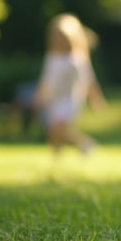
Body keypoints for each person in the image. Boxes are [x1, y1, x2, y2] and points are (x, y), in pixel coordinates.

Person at [33, 13, 106, 156]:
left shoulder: (77, 58)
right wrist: (39, 96)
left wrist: (96, 99)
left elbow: (89, 80)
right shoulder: (52, 58)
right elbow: (46, 79)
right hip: (54, 98)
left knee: (59, 127)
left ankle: (82, 144)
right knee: (54, 130)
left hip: (70, 99)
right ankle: (65, 152)